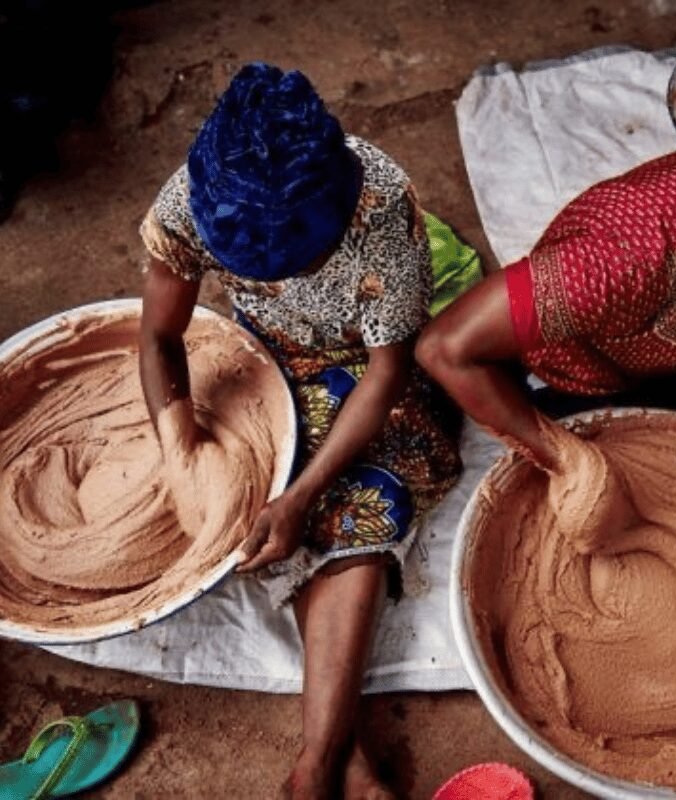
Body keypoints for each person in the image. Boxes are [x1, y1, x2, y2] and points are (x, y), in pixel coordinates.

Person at [139, 63, 462, 800]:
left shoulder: (381, 213)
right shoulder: (194, 198)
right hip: (259, 357)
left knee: (357, 502)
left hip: (364, 366)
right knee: (250, 489)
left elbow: (384, 374)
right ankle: (339, 758)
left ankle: (318, 762)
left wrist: (303, 493)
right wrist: (181, 449)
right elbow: (159, 338)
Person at [417, 62, 676, 488]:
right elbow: (444, 348)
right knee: (660, 484)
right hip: (590, 379)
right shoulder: (615, 260)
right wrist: (569, 461)